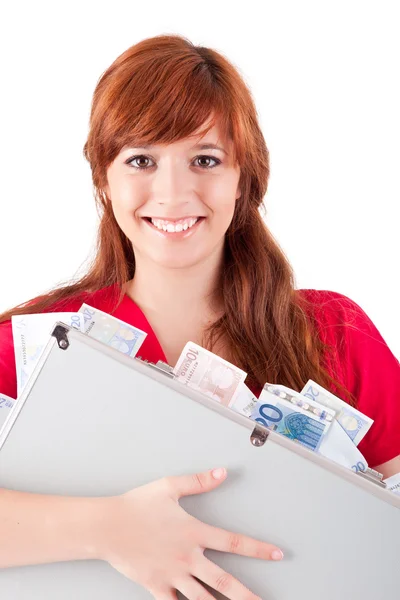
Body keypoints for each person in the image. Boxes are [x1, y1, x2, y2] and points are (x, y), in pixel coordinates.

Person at [0, 33, 399, 599]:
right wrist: (109, 529)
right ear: (103, 180)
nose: (172, 192)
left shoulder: (334, 335)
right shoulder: (36, 348)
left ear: (245, 180)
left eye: (205, 160)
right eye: (141, 159)